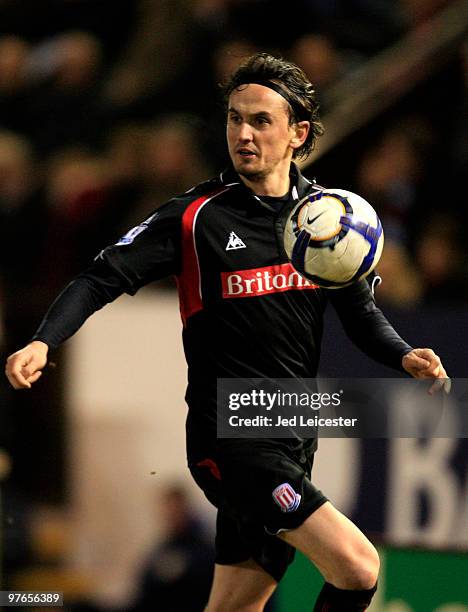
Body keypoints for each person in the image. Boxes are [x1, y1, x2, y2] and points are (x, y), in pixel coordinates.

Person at [5, 53, 448, 611]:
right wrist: (45, 339)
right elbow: (100, 277)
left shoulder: (326, 220)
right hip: (231, 439)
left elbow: (359, 313)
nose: (243, 133)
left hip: (291, 431)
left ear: (298, 133)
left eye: (261, 120)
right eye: (235, 118)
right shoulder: (195, 217)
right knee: (358, 567)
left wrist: (404, 354)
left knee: (236, 607)